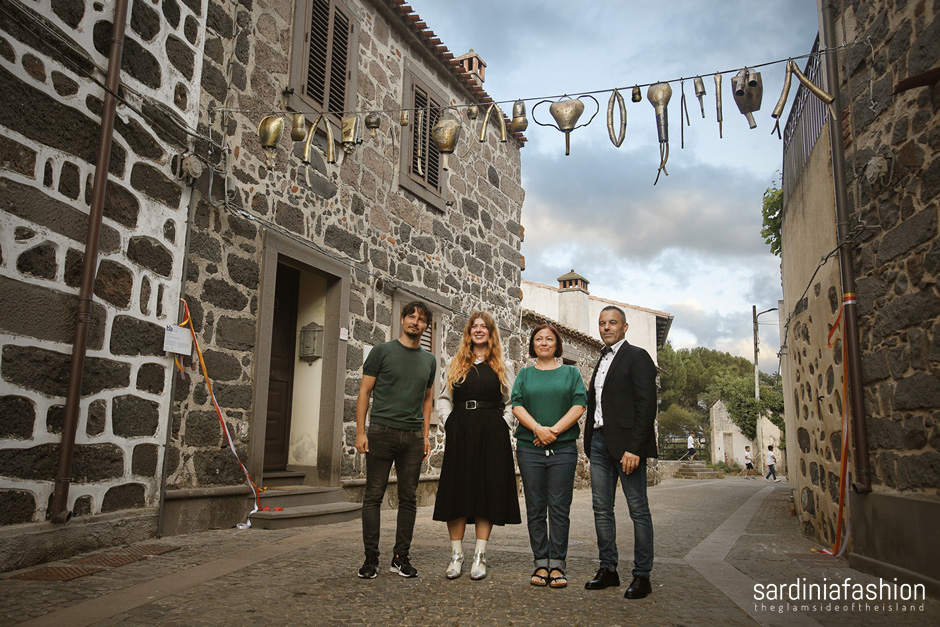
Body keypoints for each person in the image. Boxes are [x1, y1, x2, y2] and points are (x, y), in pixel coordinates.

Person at [433, 312, 521, 580]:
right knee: (456, 489)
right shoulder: (455, 363)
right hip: (461, 430)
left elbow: (511, 402)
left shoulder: (502, 365)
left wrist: (503, 424)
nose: (479, 330)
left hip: (491, 433)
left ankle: (480, 556)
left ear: (491, 332)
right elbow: (443, 398)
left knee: (487, 489)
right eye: (475, 326)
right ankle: (457, 555)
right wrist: (450, 422)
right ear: (468, 332)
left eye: (484, 327)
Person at [355, 301, 436, 579]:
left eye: (421, 319)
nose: (416, 322)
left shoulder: (429, 360)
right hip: (381, 432)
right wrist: (360, 431)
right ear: (402, 320)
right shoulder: (382, 352)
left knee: (408, 498)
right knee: (373, 495)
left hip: (413, 437)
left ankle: (401, 557)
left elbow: (427, 400)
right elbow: (364, 392)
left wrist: (425, 436)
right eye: (411, 316)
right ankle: (371, 558)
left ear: (426, 326)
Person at [584, 306, 658, 600]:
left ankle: (642, 576)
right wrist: (590, 442)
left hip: (627, 448)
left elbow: (646, 406)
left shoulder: (637, 357)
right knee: (602, 510)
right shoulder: (601, 358)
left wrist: (635, 448)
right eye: (602, 323)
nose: (606, 328)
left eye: (612, 323)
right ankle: (608, 570)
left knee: (638, 511)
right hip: (599, 445)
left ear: (624, 327)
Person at [511, 324, 587, 589]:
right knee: (535, 507)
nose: (544, 343)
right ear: (533, 345)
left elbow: (579, 404)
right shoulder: (524, 374)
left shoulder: (571, 373)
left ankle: (557, 565)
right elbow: (516, 404)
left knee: (558, 508)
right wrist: (536, 429)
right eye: (539, 339)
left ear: (557, 344)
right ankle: (540, 562)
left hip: (563, 449)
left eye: (549, 339)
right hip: (529, 448)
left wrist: (553, 431)